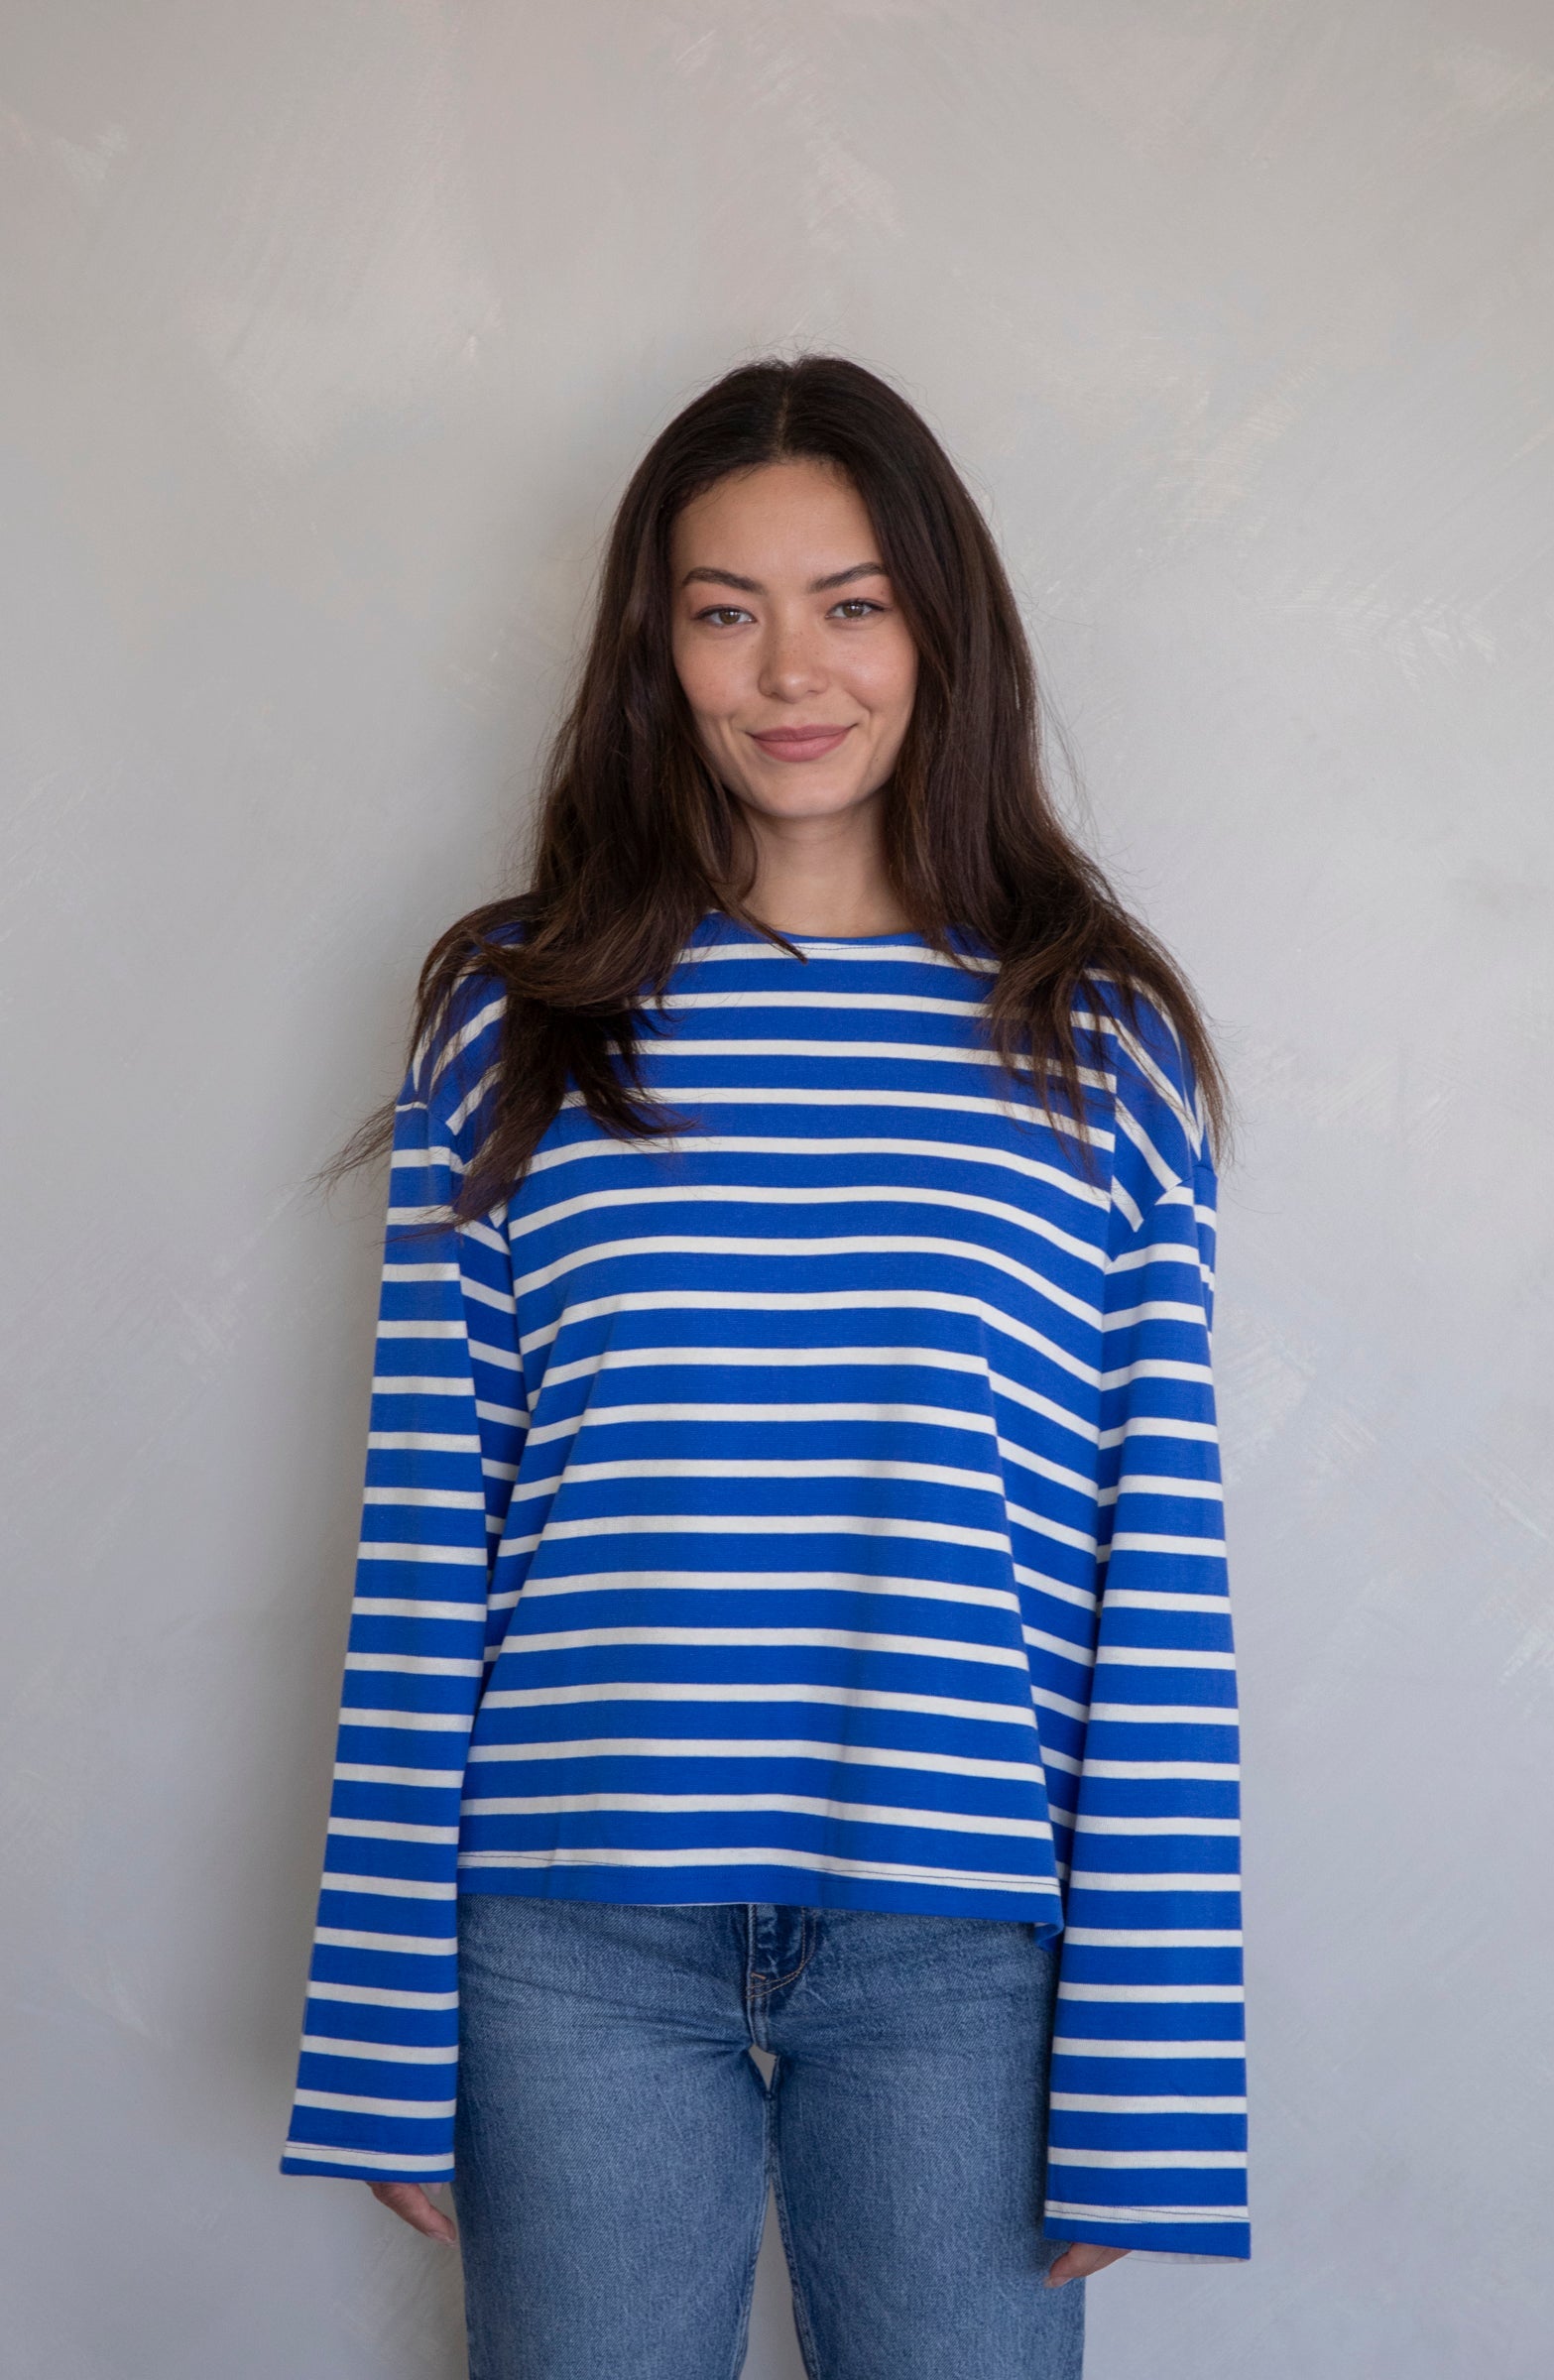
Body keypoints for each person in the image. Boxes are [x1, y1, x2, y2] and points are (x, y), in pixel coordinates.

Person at [279, 353, 1249, 2380]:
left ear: (940, 632)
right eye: (724, 610)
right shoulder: (516, 1021)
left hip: (965, 1961)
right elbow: (428, 1531)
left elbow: (1149, 1568)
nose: (790, 670)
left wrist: (1147, 2075)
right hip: (572, 1949)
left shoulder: (1094, 1043)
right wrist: (378, 2032)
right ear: (657, 652)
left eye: (851, 603)